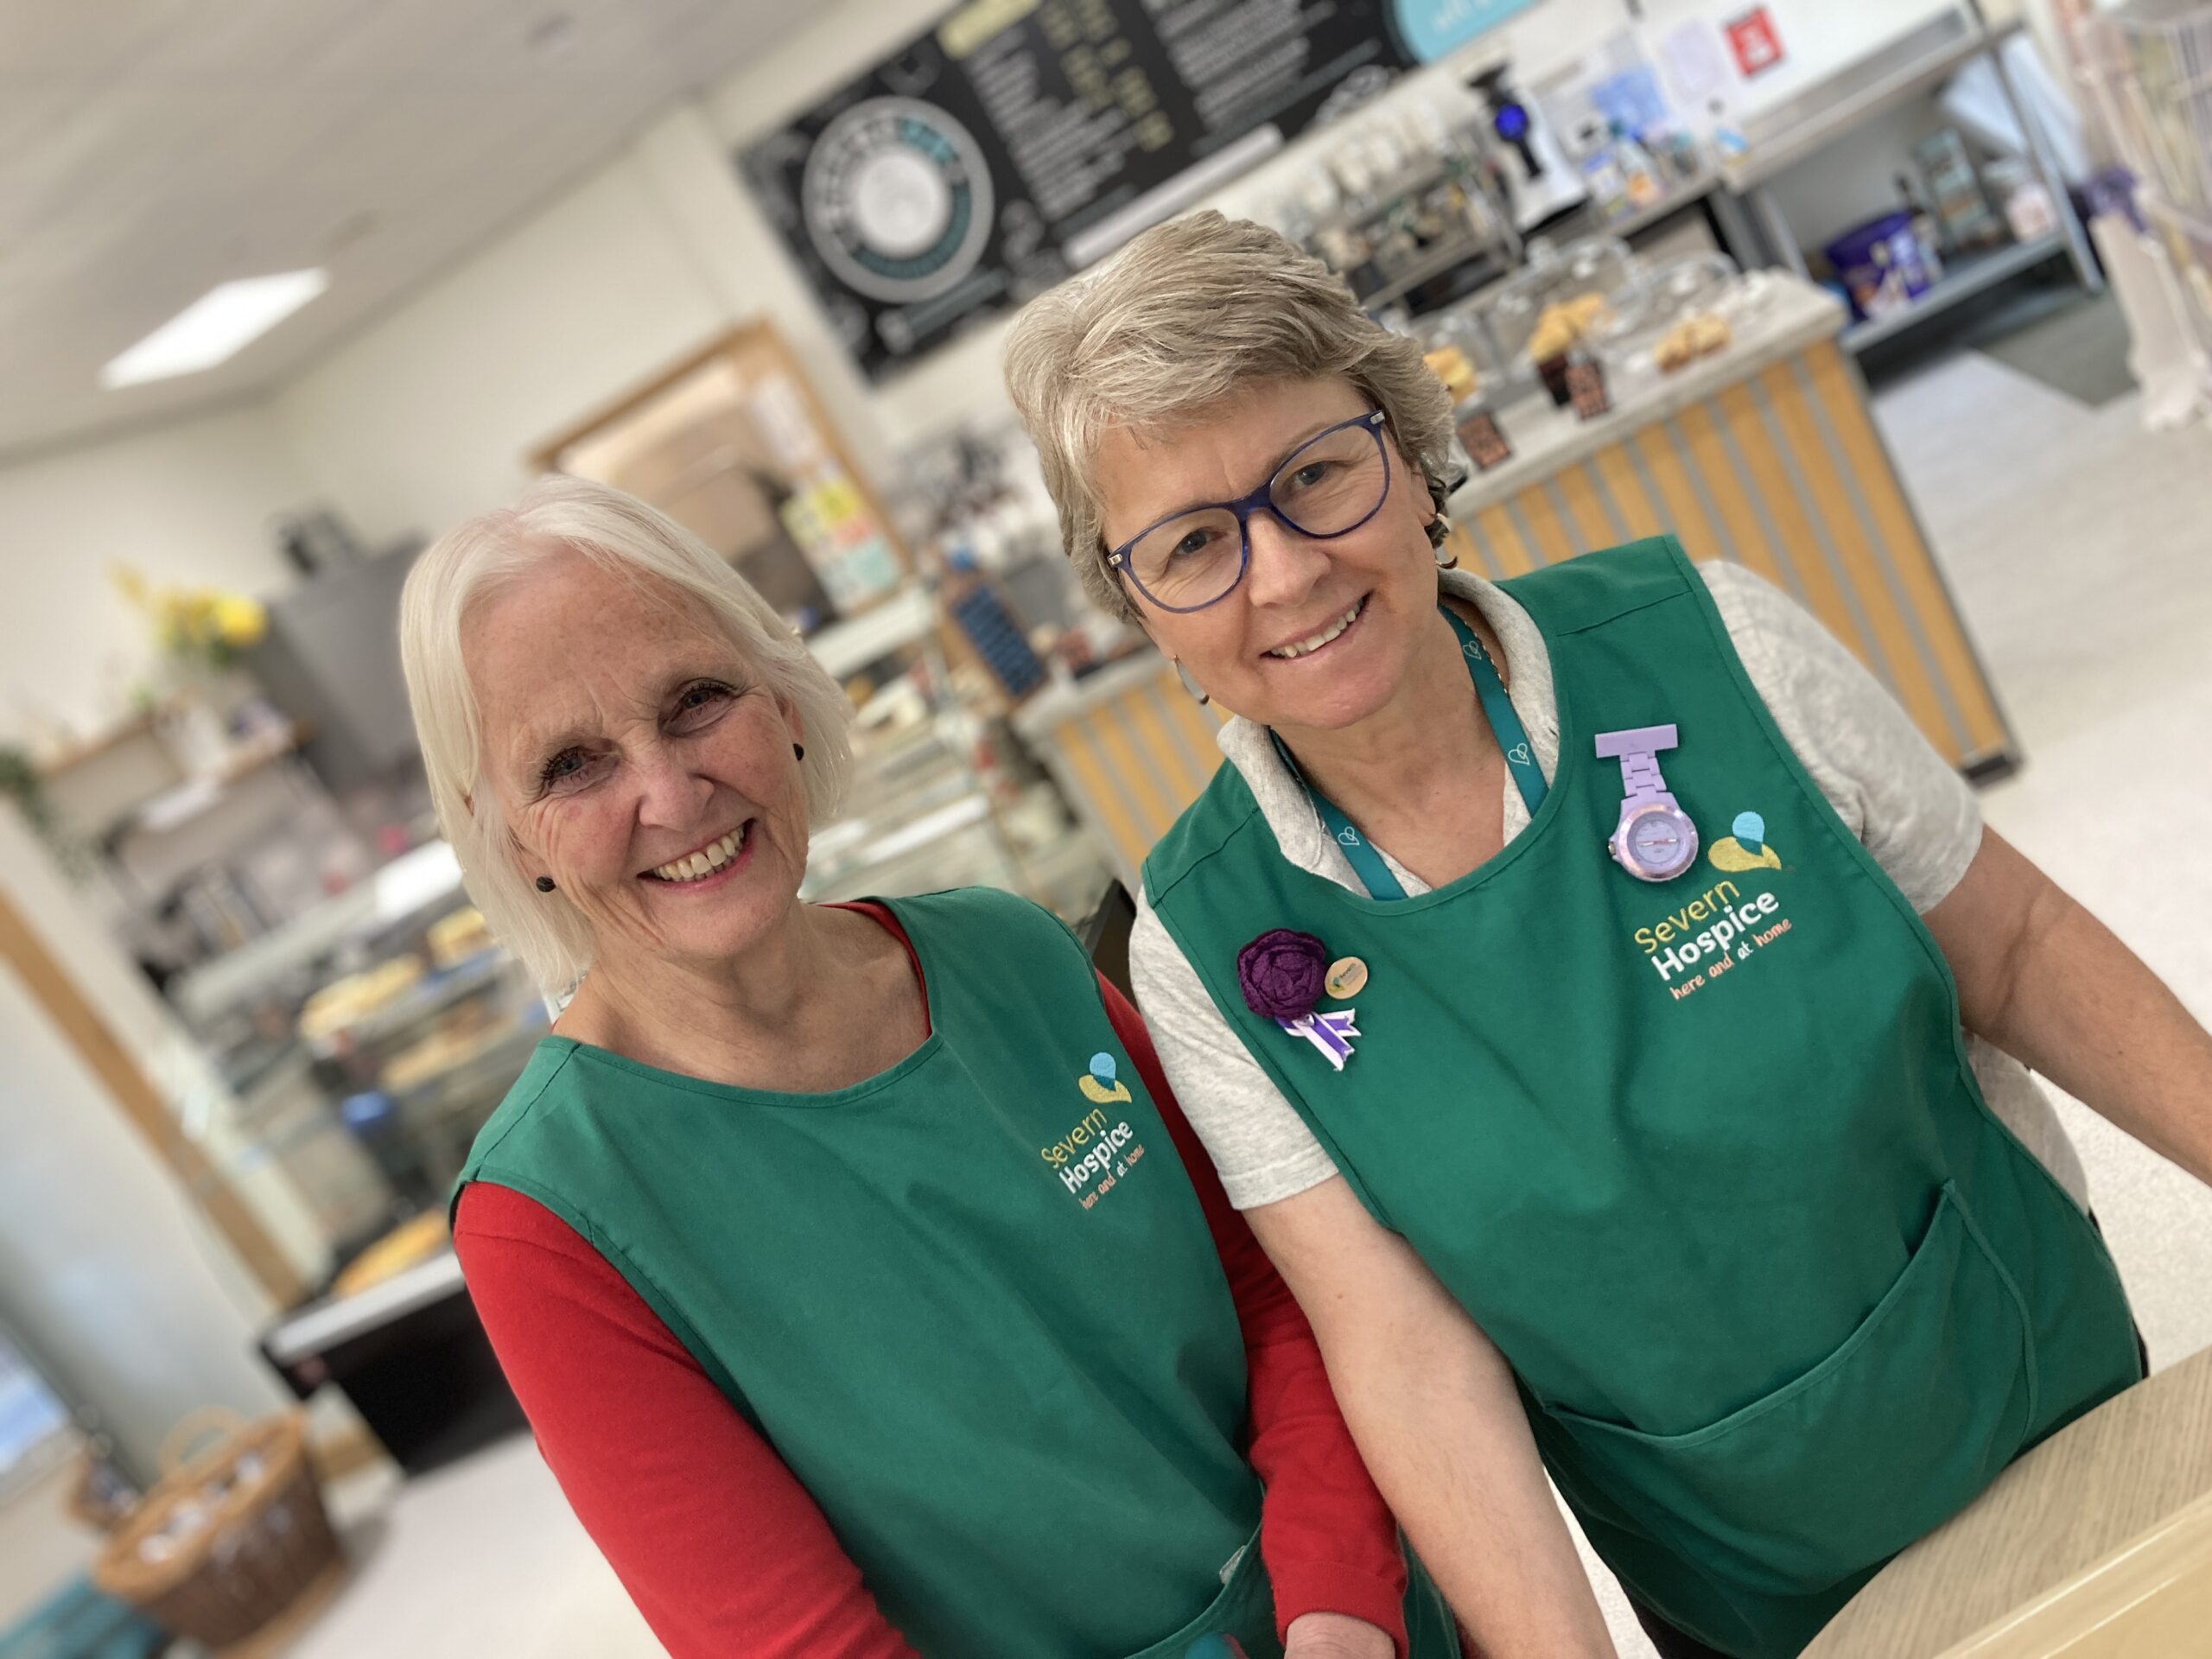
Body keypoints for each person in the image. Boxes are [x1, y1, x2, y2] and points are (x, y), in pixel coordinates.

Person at [1002, 212, 2212, 1659]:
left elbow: (2015, 950)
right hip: (1726, 1569)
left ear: (1409, 450)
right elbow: (1405, 1352)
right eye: (1195, 544)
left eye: (1314, 475)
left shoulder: (1711, 642)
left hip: (2032, 1390)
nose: (1285, 575)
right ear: (1139, 611)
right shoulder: (1208, 955)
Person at [397, 475, 1461, 1659]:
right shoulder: (550, 1218)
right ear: (504, 834)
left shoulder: (1006, 952)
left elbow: (1279, 1290)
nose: (667, 792)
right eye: (574, 766)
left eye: (697, 700)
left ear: (785, 695)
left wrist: (1339, 1610)